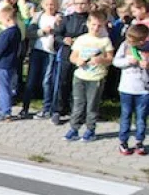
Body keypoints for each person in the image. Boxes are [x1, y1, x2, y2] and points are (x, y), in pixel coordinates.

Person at [64, 10, 115, 142]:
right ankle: (74, 129)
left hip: (96, 78)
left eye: (99, 25)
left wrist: (101, 60)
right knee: (78, 104)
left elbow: (110, 58)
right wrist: (77, 61)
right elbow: (73, 56)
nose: (96, 28)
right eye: (93, 24)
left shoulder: (105, 41)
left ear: (103, 25)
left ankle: (90, 130)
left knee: (92, 105)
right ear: (88, 24)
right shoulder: (81, 39)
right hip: (80, 76)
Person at [53, 0, 92, 125]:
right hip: (67, 55)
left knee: (81, 86)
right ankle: (58, 110)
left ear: (89, 4)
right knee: (63, 82)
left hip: (84, 57)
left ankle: (78, 112)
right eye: (77, 3)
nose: (80, 6)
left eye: (83, 3)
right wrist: (64, 40)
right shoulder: (67, 19)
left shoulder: (91, 21)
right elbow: (57, 35)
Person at [113, 24, 149, 155]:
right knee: (126, 115)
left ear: (143, 40)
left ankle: (139, 141)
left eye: (132, 41)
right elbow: (116, 62)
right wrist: (128, 61)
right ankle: (123, 141)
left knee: (141, 117)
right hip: (127, 88)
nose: (129, 42)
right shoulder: (125, 46)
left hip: (144, 90)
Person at [26, 0, 61, 120]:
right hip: (36, 50)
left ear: (57, 5)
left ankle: (47, 109)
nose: (50, 6)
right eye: (47, 4)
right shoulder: (38, 16)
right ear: (42, 4)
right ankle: (25, 108)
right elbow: (29, 33)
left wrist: (57, 28)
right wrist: (42, 31)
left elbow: (62, 33)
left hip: (51, 52)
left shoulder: (60, 18)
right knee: (31, 80)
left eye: (53, 4)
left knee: (47, 81)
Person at [0, 6, 23, 121]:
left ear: (7, 19)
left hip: (3, 64)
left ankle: (5, 111)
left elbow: (0, 49)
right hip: (12, 62)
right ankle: (1, 108)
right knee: (6, 87)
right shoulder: (17, 31)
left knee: (3, 87)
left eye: (1, 20)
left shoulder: (6, 34)